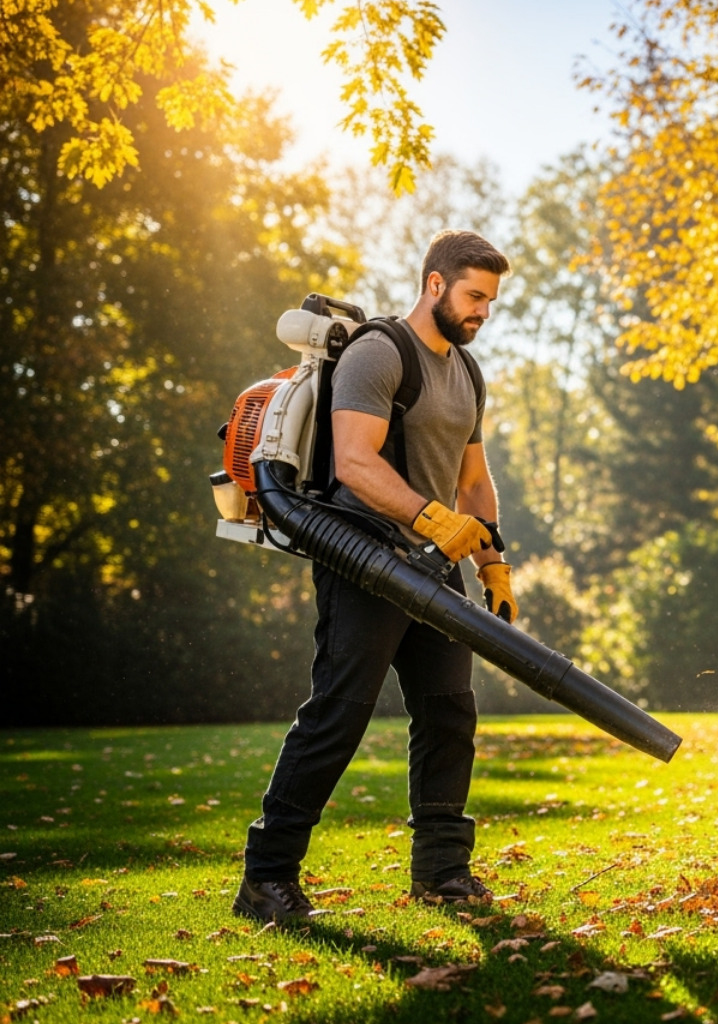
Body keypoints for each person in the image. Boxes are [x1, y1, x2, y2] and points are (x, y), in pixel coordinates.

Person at [233, 230, 520, 923]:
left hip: (434, 565)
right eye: (474, 296)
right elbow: (357, 463)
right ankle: (266, 879)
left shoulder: (466, 372)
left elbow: (473, 478)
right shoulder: (379, 352)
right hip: (362, 556)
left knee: (449, 711)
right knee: (339, 712)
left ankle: (443, 873)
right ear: (434, 284)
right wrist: (429, 519)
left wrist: (492, 562)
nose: (483, 311)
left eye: (491, 300)